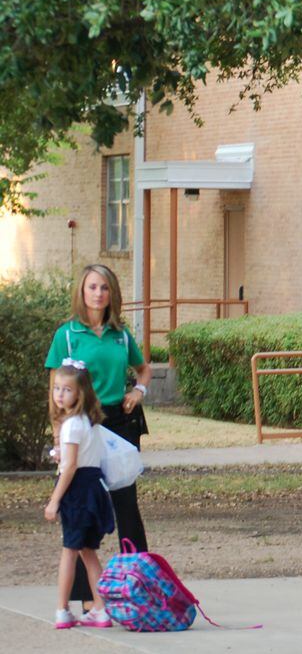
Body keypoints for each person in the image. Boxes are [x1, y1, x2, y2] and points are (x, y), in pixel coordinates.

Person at [43, 264, 149, 614]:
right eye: (92, 287)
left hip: (117, 423)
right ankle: (86, 597)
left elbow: (142, 367)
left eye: (104, 287)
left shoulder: (121, 334)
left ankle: (139, 585)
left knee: (125, 505)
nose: (98, 293)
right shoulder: (68, 334)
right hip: (81, 426)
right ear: (82, 291)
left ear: (112, 293)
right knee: (79, 508)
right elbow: (55, 387)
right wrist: (58, 433)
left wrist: (140, 389)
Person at [44, 361, 116, 629]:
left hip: (78, 490)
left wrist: (55, 500)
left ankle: (62, 609)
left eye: (67, 390)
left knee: (69, 551)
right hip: (93, 487)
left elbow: (71, 466)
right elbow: (78, 457)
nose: (60, 394)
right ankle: (100, 609)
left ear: (80, 393)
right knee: (88, 552)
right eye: (57, 388)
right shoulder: (87, 422)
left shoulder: (72, 424)